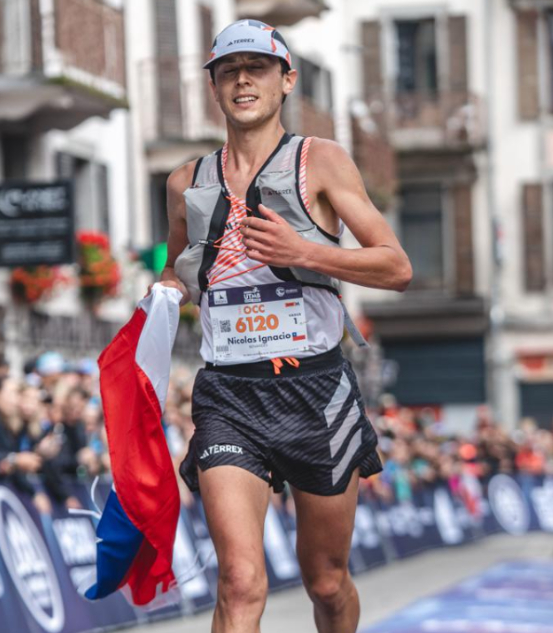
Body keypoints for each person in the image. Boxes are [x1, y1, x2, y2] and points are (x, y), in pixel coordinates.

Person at [156, 20, 412, 633]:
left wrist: (305, 253)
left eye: (258, 68)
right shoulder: (185, 182)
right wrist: (165, 292)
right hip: (228, 395)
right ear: (213, 86)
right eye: (229, 70)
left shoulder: (320, 161)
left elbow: (396, 266)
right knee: (240, 583)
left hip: (316, 391)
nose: (243, 79)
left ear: (285, 79)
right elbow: (179, 272)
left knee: (326, 582)